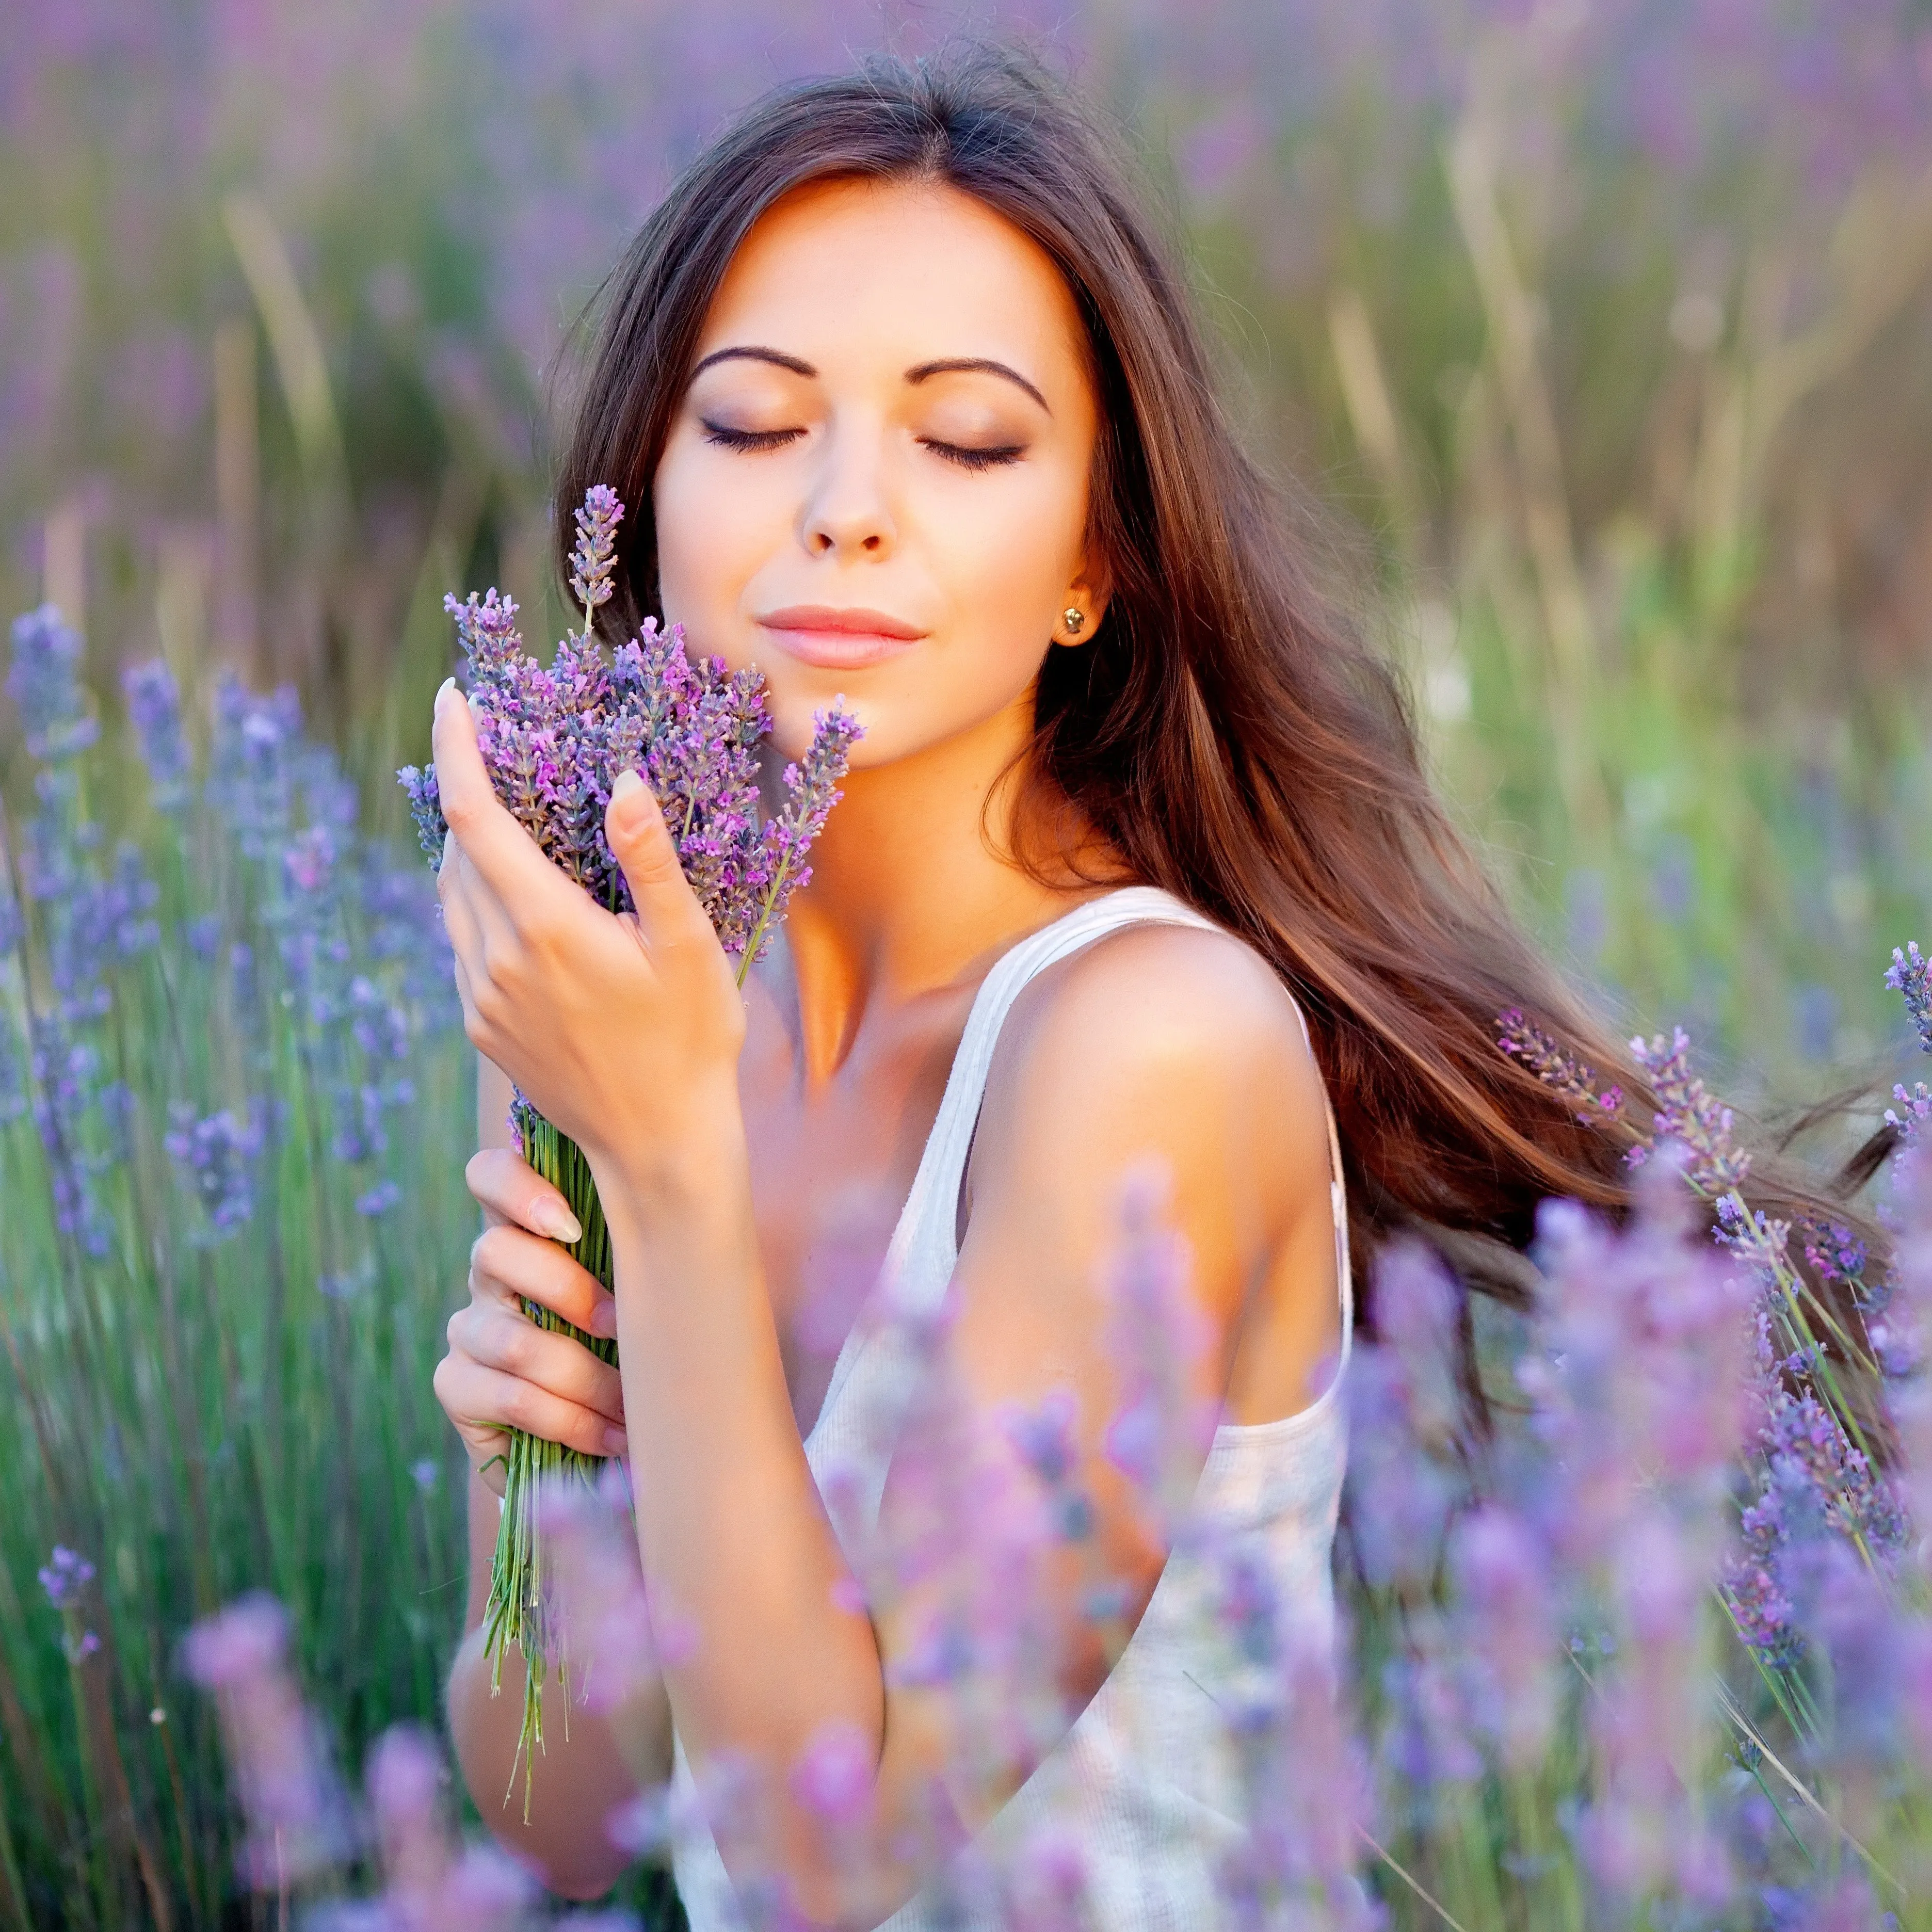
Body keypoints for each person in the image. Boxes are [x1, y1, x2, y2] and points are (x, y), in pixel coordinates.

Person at [427, 44, 1869, 1929]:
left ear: (1094, 564)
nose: (848, 507)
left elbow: (820, 1856)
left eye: (967, 441)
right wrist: (530, 1476)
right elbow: (568, 1823)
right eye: (759, 422)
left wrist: (676, 1180)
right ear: (645, 497)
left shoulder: (1148, 1042)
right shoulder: (634, 996)